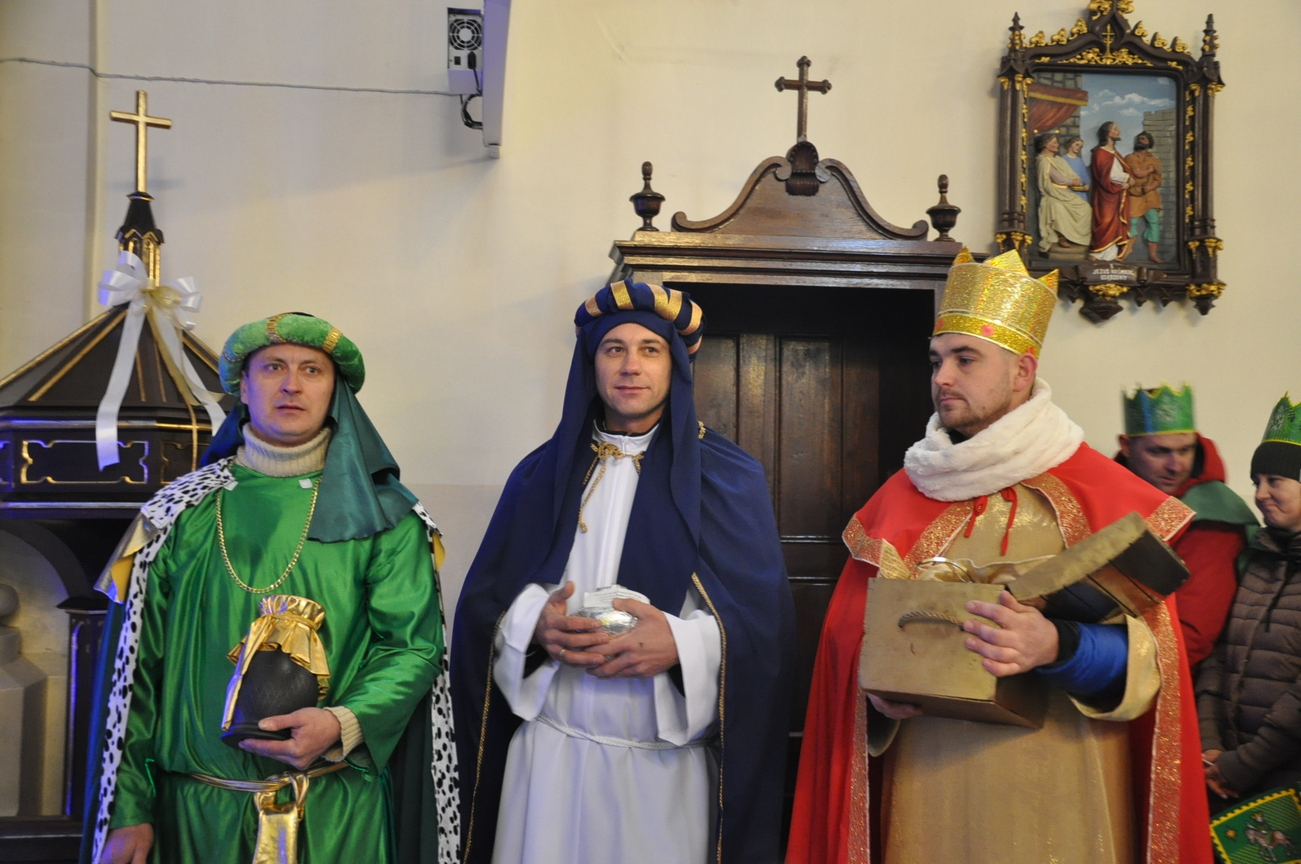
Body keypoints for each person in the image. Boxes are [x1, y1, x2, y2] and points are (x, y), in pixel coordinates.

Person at [787, 249, 1213, 864]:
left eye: (965, 359)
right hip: (927, 789)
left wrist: (1058, 645)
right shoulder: (901, 498)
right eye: (937, 360)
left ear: (1022, 371)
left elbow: (1154, 669)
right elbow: (845, 653)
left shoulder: (1103, 496)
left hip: (1067, 788)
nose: (943, 378)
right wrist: (875, 694)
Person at [81, 313, 459, 864]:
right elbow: (133, 676)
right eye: (273, 368)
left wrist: (341, 722)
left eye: (312, 370)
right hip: (195, 817)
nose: (291, 385)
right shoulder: (175, 515)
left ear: (335, 392)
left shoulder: (387, 517)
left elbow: (412, 648)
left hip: (337, 813)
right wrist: (126, 811)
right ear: (242, 387)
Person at [451, 280, 795, 864]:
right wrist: (533, 625)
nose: (630, 365)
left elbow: (766, 634)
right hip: (549, 763)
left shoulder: (728, 476)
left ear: (675, 365)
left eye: (649, 349)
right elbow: (482, 608)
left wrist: (682, 645)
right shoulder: (540, 475)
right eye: (614, 349)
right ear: (591, 363)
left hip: (660, 772)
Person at [1199, 395, 1301, 806]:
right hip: (1229, 772)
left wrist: (1246, 763)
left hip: (1286, 783)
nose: (1260, 494)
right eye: (1256, 480)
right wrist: (1210, 745)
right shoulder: (1257, 559)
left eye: (1274, 480)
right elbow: (1220, 654)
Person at [1117, 384, 1257, 667]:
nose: (1176, 465)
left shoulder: (1214, 517)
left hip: (1164, 672)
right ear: (1126, 447)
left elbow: (1191, 638)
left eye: (1186, 450)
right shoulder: (1107, 494)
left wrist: (1088, 657)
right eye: (1159, 452)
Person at [1034, 132, 1092, 254]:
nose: (1057, 145)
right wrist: (1071, 181)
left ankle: (1079, 238)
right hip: (1052, 194)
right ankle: (1062, 236)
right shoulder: (1044, 161)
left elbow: (1071, 173)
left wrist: (1076, 180)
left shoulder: (1059, 160)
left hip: (1066, 193)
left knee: (1085, 208)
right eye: (1054, 143)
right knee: (1057, 207)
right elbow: (1058, 179)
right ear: (1046, 144)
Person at [1090, 121, 1133, 261]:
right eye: (1115, 129)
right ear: (1107, 133)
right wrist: (1127, 178)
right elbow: (1106, 175)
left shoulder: (1116, 154)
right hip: (1105, 194)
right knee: (1105, 220)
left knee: (1116, 224)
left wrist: (1128, 181)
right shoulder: (1100, 153)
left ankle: (1111, 255)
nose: (1118, 131)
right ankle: (1097, 253)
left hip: (1118, 193)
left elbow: (1124, 171)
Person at [1126, 131, 1165, 263]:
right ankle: (1128, 248)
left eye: (1143, 139)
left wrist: (1150, 187)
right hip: (1135, 193)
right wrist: (1149, 170)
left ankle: (1152, 253)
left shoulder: (1155, 161)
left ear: (1149, 142)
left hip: (1150, 195)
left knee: (1153, 222)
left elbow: (1158, 180)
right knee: (1132, 221)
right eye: (1138, 139)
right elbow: (1138, 173)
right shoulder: (1131, 157)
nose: (1140, 141)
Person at [1063, 137, 1091, 203]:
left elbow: (1084, 175)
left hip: (1081, 190)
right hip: (1069, 191)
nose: (1078, 148)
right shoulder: (1063, 159)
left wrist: (1087, 184)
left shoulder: (1080, 161)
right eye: (1077, 145)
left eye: (1080, 146)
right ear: (1070, 144)